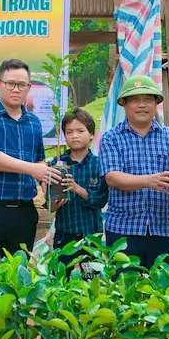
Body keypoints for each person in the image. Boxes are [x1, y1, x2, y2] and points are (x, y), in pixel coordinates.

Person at [0, 59, 61, 260]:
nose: (16, 89)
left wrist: (47, 182)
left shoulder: (34, 122)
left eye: (22, 85)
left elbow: (38, 161)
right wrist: (32, 169)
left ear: (28, 88)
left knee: (18, 278)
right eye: (10, 83)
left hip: (24, 212)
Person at [99, 74, 169, 269]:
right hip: (123, 229)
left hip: (165, 228)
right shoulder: (112, 138)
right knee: (123, 291)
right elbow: (112, 177)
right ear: (124, 105)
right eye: (135, 100)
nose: (142, 105)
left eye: (147, 99)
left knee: (164, 290)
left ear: (156, 104)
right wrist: (148, 181)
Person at [51, 108, 109, 264]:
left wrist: (77, 188)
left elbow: (100, 200)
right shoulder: (57, 164)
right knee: (62, 277)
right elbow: (49, 203)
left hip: (91, 234)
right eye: (69, 132)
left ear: (91, 135)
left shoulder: (99, 164)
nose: (74, 136)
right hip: (64, 233)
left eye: (80, 131)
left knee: (90, 279)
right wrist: (53, 204)